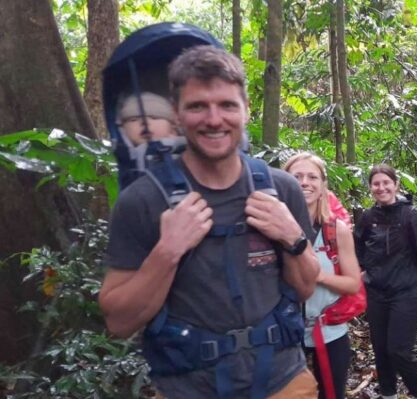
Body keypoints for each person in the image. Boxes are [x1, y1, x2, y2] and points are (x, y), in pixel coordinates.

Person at [98, 45, 320, 398]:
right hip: (189, 387)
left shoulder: (280, 188)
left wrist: (292, 235)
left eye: (227, 105)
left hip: (283, 380)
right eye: (198, 106)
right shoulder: (143, 200)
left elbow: (306, 288)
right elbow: (119, 322)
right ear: (176, 114)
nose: (214, 119)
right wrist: (167, 251)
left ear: (246, 110)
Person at [353, 165, 417, 399]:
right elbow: (357, 247)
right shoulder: (367, 217)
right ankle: (388, 393)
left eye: (386, 183)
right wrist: (362, 270)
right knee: (381, 350)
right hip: (376, 293)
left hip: (407, 293)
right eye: (376, 184)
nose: (381, 187)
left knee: (399, 350)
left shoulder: (410, 216)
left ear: (396, 185)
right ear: (371, 187)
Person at [284, 153, 361, 399]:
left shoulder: (335, 230)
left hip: (328, 330)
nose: (304, 182)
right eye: (297, 176)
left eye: (311, 177)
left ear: (322, 185)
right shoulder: (272, 227)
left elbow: (352, 283)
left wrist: (315, 274)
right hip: (283, 332)